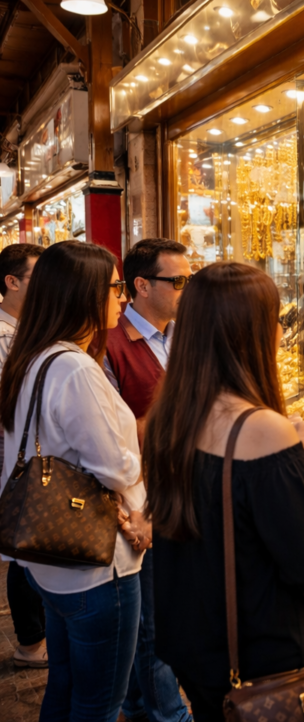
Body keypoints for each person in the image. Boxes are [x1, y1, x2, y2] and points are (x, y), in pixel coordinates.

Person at [144, 263, 304, 722]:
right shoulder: (262, 432)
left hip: (195, 644)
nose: (278, 329)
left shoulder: (170, 416)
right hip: (261, 662)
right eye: (273, 318)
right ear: (251, 332)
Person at [0, 240, 149, 720]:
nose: (122, 298)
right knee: (100, 702)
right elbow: (114, 466)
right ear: (82, 294)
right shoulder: (75, 368)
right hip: (96, 564)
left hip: (54, 563)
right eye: (114, 287)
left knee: (64, 685)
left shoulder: (35, 356)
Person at [104, 238, 193, 722]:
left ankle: (140, 706)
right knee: (154, 627)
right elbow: (110, 439)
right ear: (141, 286)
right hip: (143, 504)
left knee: (167, 617)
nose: (186, 289)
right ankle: (169, 714)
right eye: (177, 281)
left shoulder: (185, 336)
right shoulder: (111, 347)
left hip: (183, 495)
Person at [0, 243, 47, 670]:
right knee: (23, 551)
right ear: (12, 283)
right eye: (39, 277)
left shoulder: (28, 332)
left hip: (22, 459)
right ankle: (30, 643)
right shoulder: (3, 337)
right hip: (14, 462)